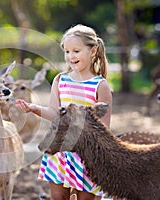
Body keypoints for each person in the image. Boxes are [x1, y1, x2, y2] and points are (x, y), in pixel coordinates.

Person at [16, 24, 112, 200]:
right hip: (60, 153)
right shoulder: (60, 80)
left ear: (93, 51)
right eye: (67, 52)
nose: (70, 56)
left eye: (76, 51)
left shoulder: (100, 85)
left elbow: (104, 127)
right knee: (58, 197)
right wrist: (34, 109)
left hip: (87, 155)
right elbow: (55, 113)